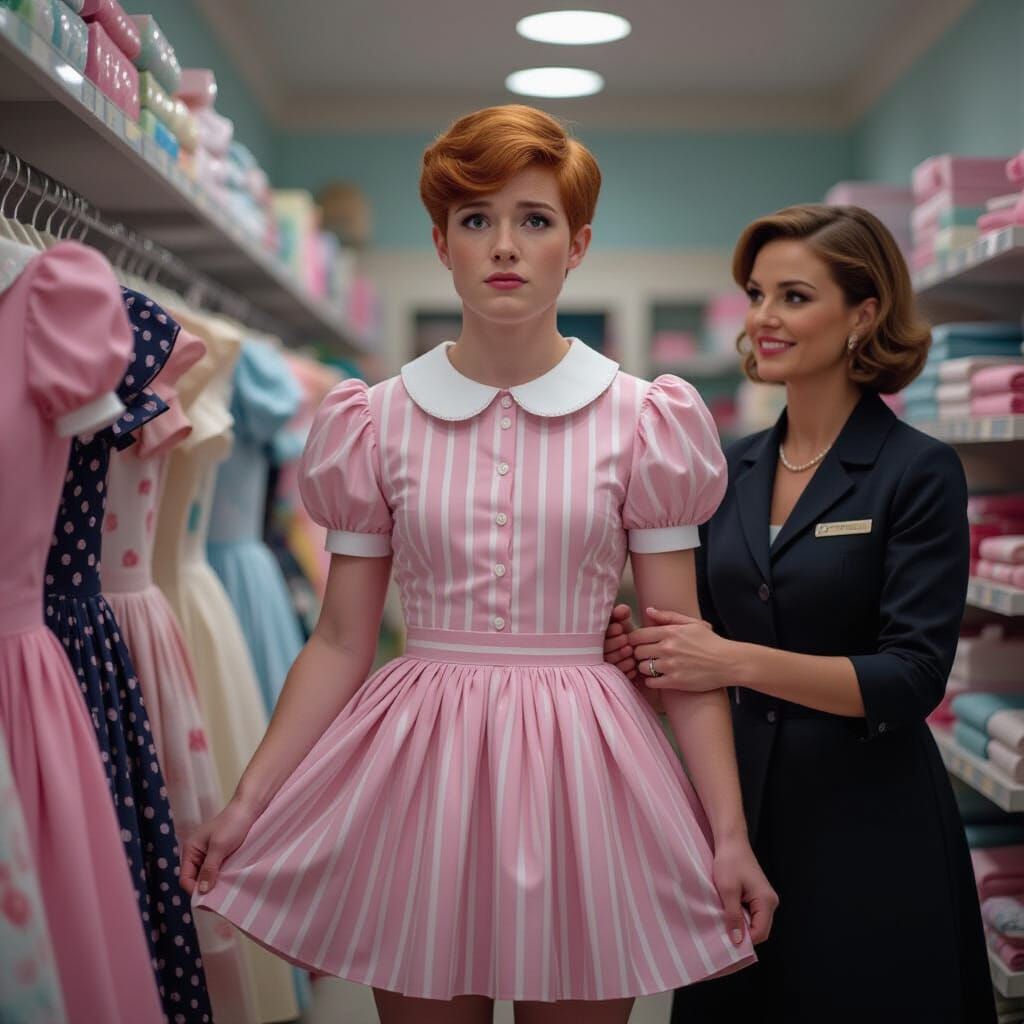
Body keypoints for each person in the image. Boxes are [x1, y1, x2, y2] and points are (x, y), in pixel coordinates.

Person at [179, 105, 777, 1024]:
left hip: (589, 774)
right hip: (422, 769)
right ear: (442, 243)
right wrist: (248, 799)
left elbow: (678, 651)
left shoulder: (641, 419)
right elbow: (340, 639)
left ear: (576, 246)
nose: (505, 245)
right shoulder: (375, 420)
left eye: (534, 220)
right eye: (476, 220)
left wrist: (728, 834)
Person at [605, 204, 996, 1024]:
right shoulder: (726, 467)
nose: (763, 319)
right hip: (736, 809)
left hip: (870, 820)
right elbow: (696, 641)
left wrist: (733, 660)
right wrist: (642, 656)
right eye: (756, 294)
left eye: (793, 296)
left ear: (863, 314)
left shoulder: (915, 472)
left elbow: (912, 677)